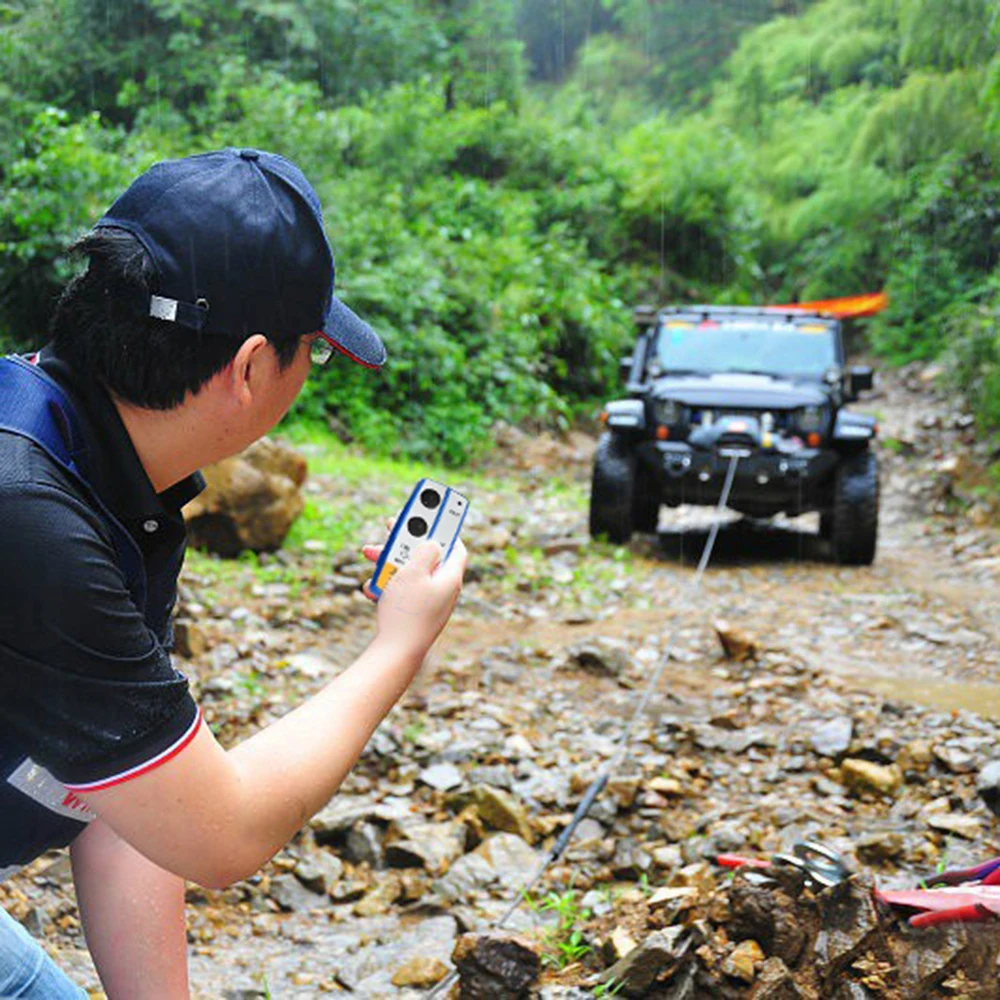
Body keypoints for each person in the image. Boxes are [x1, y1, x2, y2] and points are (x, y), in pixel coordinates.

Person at [0, 147, 467, 998]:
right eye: (312, 353)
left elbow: (132, 794)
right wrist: (396, 648)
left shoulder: (100, 468)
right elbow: (223, 832)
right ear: (252, 368)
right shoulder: (29, 515)